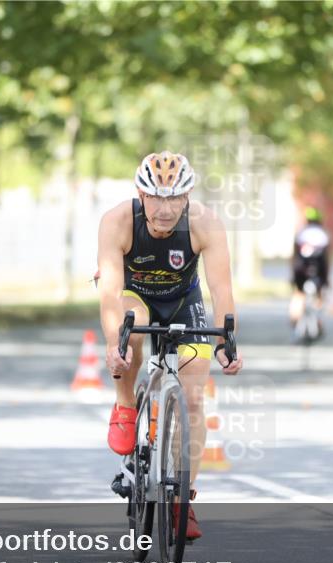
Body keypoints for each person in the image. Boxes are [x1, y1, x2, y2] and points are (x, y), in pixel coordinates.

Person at [97, 151, 244, 540]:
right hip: (134, 297)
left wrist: (228, 341)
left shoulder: (205, 224)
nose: (164, 209)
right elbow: (110, 293)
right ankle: (127, 404)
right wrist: (116, 344)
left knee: (194, 397)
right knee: (133, 330)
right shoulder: (117, 221)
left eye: (174, 198)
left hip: (184, 301)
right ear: (140, 194)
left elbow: (221, 290)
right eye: (156, 197)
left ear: (188, 196)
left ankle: (183, 498)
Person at [289, 206, 331, 336]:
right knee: (319, 293)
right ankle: (318, 320)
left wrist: (292, 274)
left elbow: (294, 255)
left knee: (298, 294)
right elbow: (327, 258)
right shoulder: (324, 234)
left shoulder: (300, 233)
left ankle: (295, 320)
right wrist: (327, 278)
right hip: (318, 269)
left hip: (301, 269)